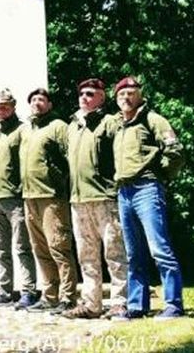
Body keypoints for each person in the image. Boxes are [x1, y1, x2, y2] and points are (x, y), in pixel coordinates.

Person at [109, 77, 186, 320]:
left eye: (131, 93)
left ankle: (174, 305)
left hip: (147, 190)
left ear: (140, 95)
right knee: (134, 254)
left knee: (159, 249)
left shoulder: (154, 119)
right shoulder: (119, 125)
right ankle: (137, 306)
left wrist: (160, 176)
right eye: (122, 94)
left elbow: (175, 152)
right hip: (123, 192)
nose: (126, 98)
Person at [62, 78, 128, 320]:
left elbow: (124, 149)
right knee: (86, 256)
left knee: (115, 254)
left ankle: (120, 302)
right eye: (81, 93)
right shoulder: (73, 125)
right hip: (78, 200)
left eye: (90, 94)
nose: (84, 98)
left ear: (101, 97)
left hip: (104, 198)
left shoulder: (109, 122)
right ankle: (92, 305)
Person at [19, 88, 77, 314]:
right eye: (33, 100)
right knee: (40, 249)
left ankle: (68, 296)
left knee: (59, 247)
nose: (37, 103)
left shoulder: (58, 126)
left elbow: (69, 157)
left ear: (49, 104)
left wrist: (61, 179)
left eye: (41, 100)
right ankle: (50, 295)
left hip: (51, 196)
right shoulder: (26, 130)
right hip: (29, 196)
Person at [0, 89, 37, 308]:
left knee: (22, 247)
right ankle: (4, 290)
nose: (1, 110)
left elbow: (26, 162)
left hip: (15, 199)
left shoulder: (21, 130)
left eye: (5, 106)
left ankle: (29, 290)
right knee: (0, 248)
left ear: (13, 107)